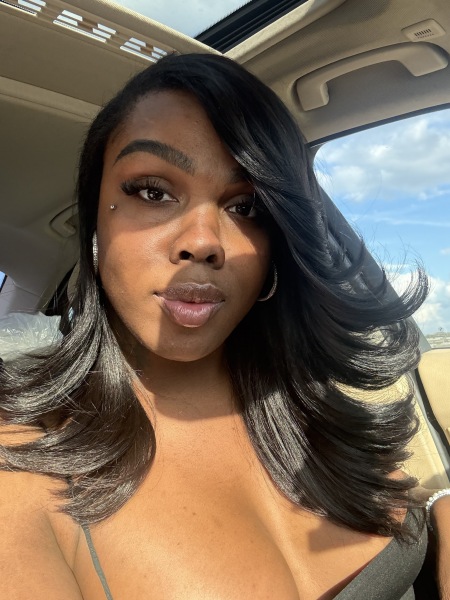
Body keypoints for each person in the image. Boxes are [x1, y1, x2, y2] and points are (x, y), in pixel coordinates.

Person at [0, 52, 448, 599]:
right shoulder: (22, 454)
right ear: (95, 218)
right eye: (152, 191)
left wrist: (440, 514)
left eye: (246, 207)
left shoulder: (314, 401)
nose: (204, 242)